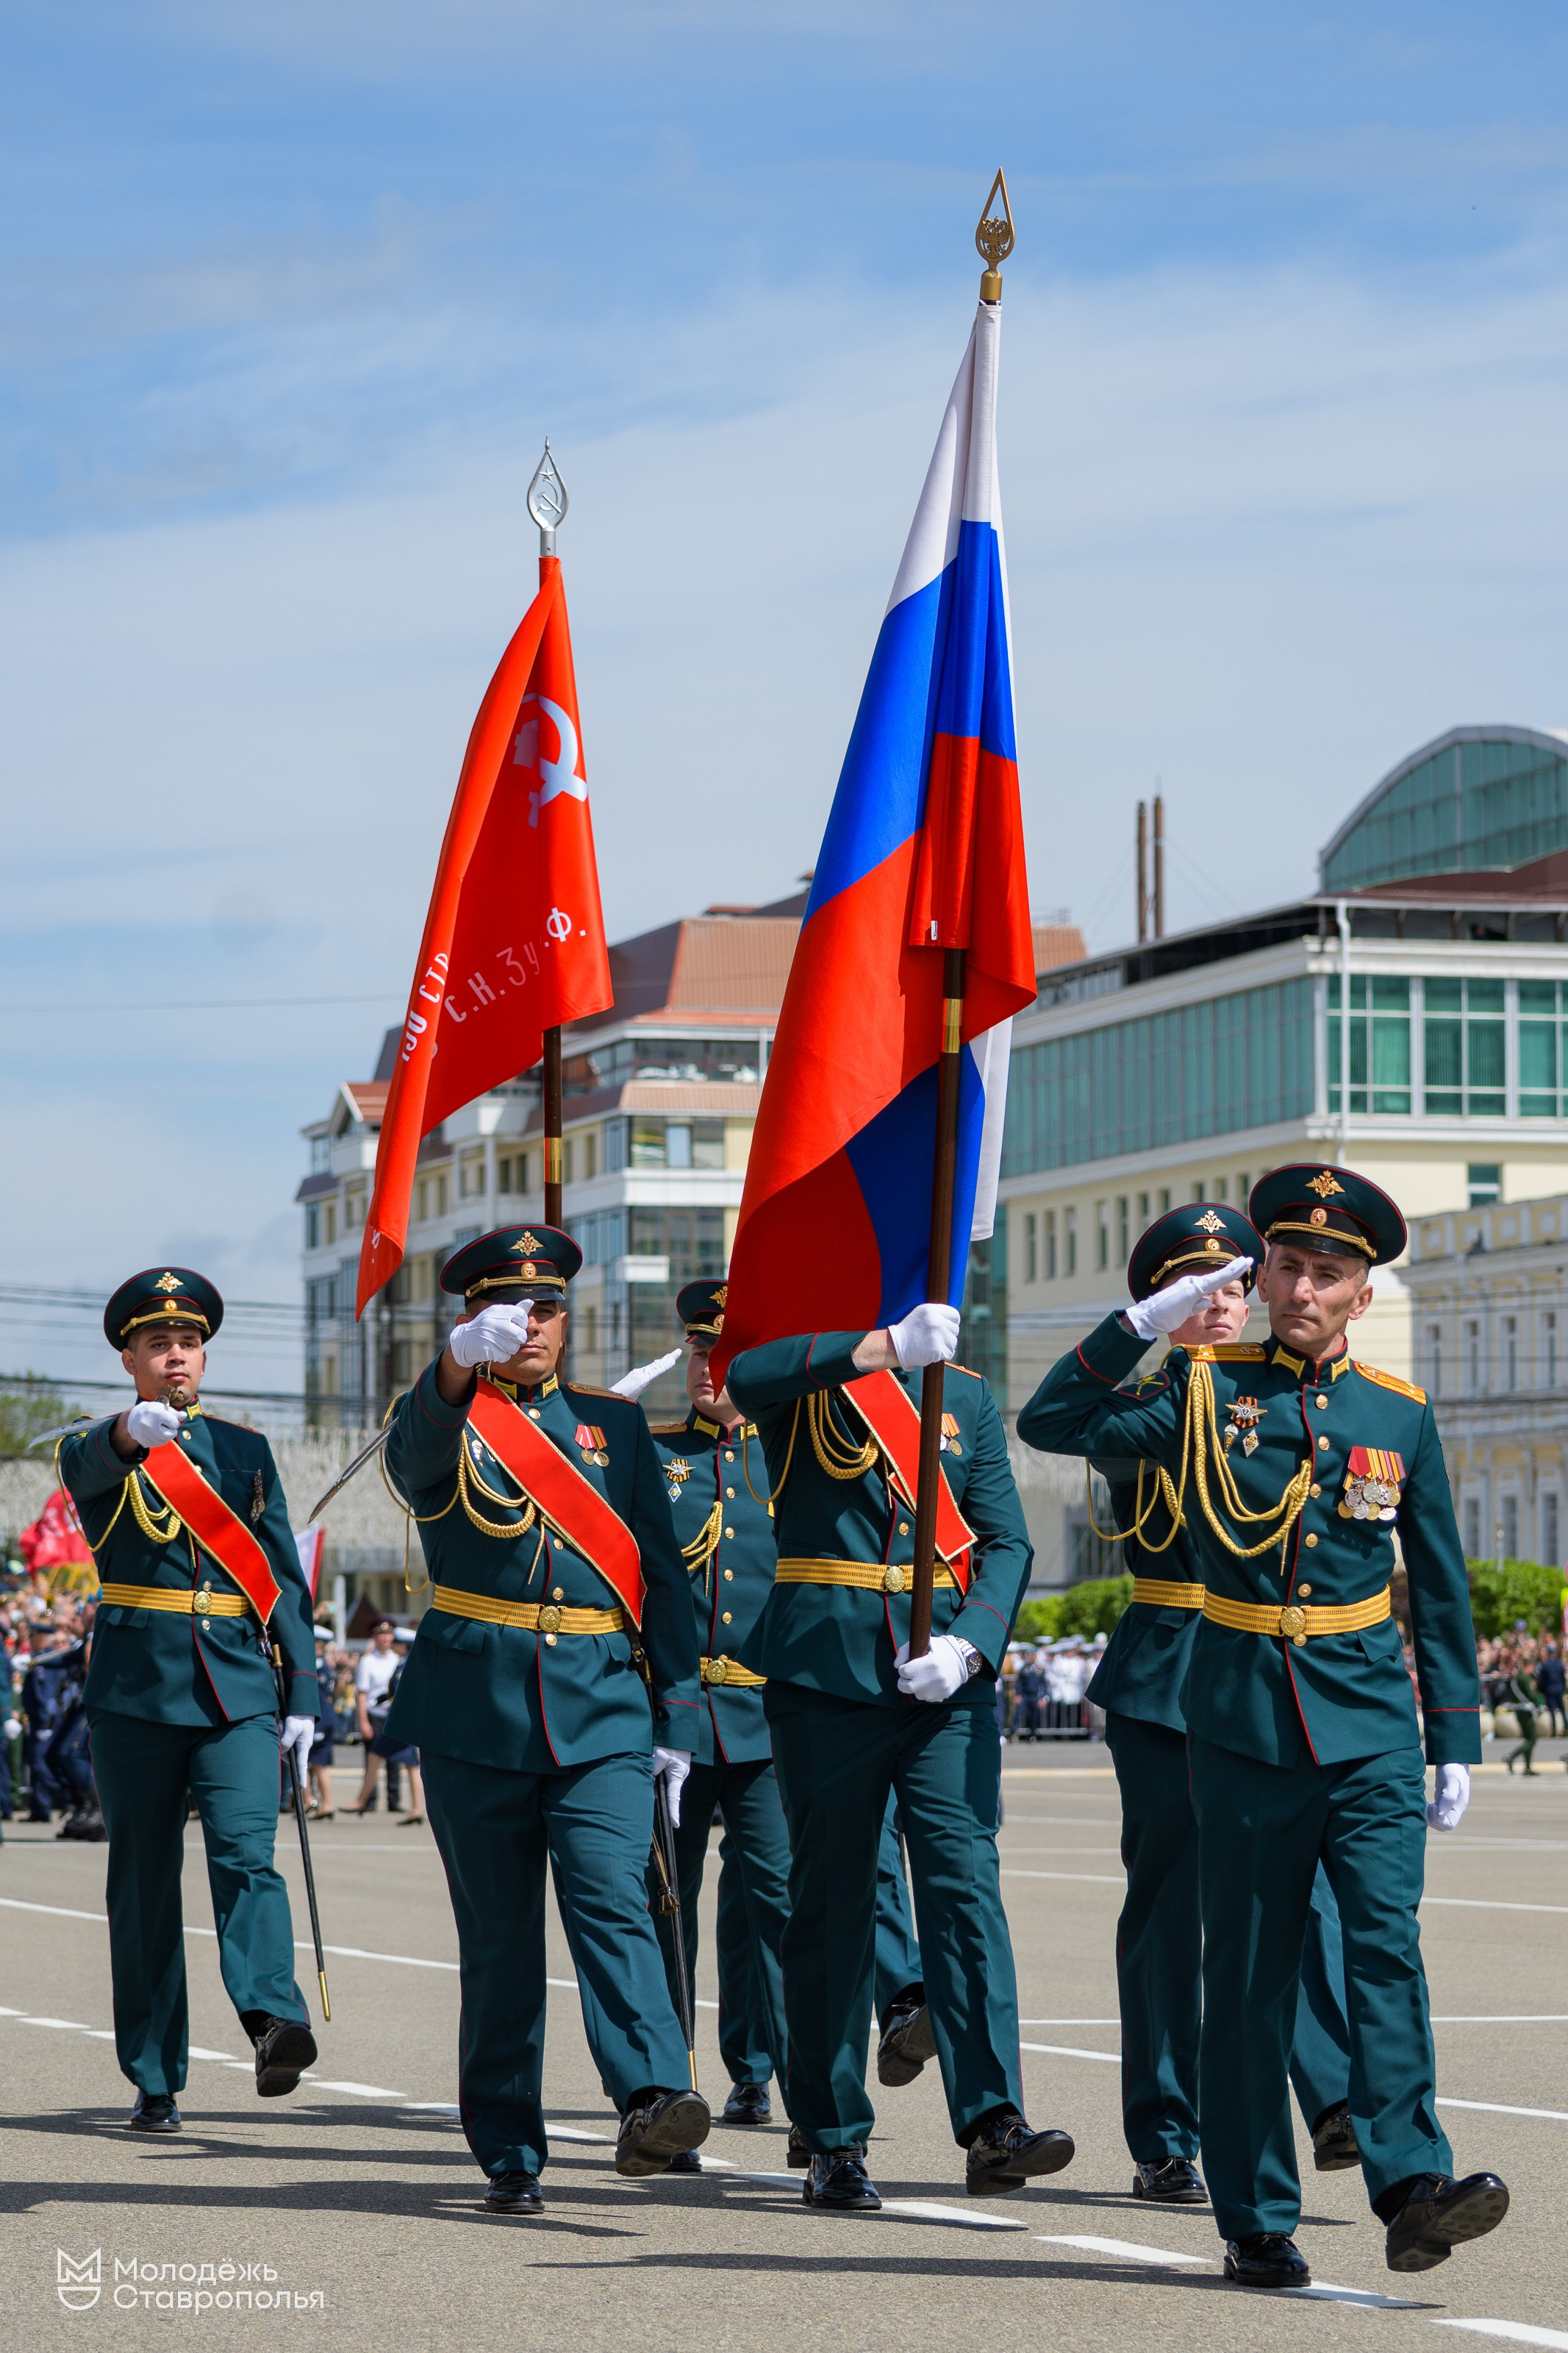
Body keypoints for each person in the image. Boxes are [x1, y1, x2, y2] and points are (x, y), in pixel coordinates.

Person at [1019, 1165, 1508, 2288]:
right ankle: (1253, 2213)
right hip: (1241, 1725)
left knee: (1385, 1950)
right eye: (1283, 1265)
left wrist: (1456, 1738)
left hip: (1370, 1726)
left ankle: (1411, 2185)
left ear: (1360, 1294)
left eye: (1324, 1273)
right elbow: (1051, 1418)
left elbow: (1437, 1588)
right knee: (1249, 1975)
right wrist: (1138, 1326)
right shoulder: (1201, 1392)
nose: (1297, 1287)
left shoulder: (1399, 1415)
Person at [380, 1224, 707, 2215]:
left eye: (550, 1307)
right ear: (474, 1317)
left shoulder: (615, 1422)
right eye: (510, 1309)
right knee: (503, 1940)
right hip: (477, 1708)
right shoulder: (445, 1412)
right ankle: (509, 2148)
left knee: (615, 1896)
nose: (533, 1324)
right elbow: (409, 1467)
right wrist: (449, 1371)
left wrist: (676, 1711)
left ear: (569, 1320)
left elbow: (661, 1572)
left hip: (603, 1701)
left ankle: (652, 2093)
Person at [726, 1301, 1070, 2209]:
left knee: (964, 1892)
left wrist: (972, 1640)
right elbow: (741, 1378)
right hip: (827, 1670)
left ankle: (995, 2120)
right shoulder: (808, 1379)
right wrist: (879, 1349)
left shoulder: (966, 1397)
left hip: (943, 1677)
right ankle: (835, 2132)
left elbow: (1006, 1538)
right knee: (834, 1900)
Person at [1075, 1203, 1355, 2206]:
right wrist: (1151, 1342)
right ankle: (1164, 2131)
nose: (1221, 1308)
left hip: (1272, 1672)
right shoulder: (1156, 1408)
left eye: (1233, 1288)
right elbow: (1088, 1432)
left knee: (1306, 1893)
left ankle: (1329, 2100)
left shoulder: (1287, 1397)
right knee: (1169, 1912)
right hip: (1168, 1670)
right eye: (1195, 1294)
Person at [57, 1267, 319, 2133]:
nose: (178, 1355)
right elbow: (92, 1462)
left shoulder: (245, 1451)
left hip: (237, 1682)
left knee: (248, 1854)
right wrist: (132, 1432)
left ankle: (272, 2017)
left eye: (190, 1342)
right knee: (143, 1887)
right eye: (160, 1343)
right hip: (136, 1692)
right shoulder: (98, 1445)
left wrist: (307, 1689)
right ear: (129, 1358)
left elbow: (281, 1577)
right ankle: (155, 2070)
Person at [348, 1620, 401, 1814]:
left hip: (393, 1714)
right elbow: (362, 1694)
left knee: (395, 1760)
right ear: (375, 1637)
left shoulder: (397, 1660)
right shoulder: (367, 1661)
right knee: (373, 1759)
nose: (386, 1638)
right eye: (382, 1634)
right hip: (375, 1715)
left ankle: (394, 1800)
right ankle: (369, 1800)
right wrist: (362, 1721)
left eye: (389, 1634)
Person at [307, 1628, 338, 1818]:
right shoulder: (324, 1665)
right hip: (326, 1719)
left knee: (306, 1762)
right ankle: (324, 1804)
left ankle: (309, 1801)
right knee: (319, 1764)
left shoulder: (316, 1666)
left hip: (318, 1720)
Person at [1502, 1649, 1542, 1776]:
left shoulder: (1520, 1677)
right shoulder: (1524, 1678)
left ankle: (1528, 1767)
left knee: (1529, 1739)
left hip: (1521, 1710)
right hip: (1525, 1710)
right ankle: (1511, 1757)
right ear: (1529, 1665)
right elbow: (1530, 1695)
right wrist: (1538, 1703)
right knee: (1532, 1739)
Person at [1536, 1638, 1566, 1740]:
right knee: (1562, 1709)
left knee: (1552, 1710)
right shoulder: (1559, 1664)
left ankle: (1554, 1729)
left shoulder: (1545, 1665)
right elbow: (1562, 1678)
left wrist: (1541, 1690)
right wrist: (1564, 1689)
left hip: (1549, 1689)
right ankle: (1566, 1726)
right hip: (1558, 1688)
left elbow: (1542, 1680)